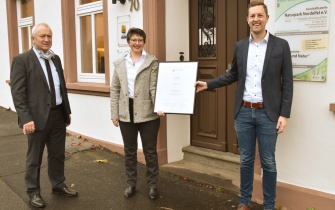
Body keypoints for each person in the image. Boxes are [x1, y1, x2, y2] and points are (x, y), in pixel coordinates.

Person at [195, 2, 293, 210]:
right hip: (244, 112)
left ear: (266, 17)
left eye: (260, 15)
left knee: (268, 162)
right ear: (247, 20)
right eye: (252, 16)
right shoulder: (241, 46)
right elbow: (233, 75)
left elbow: (288, 83)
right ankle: (244, 202)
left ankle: (268, 205)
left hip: (269, 114)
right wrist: (208, 83)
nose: (256, 19)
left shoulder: (281, 46)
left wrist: (284, 114)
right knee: (246, 160)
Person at [10, 23, 78, 208]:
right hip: (36, 118)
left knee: (57, 155)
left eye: (49, 36)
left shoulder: (55, 59)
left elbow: (60, 87)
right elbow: (18, 93)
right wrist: (26, 118)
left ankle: (58, 184)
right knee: (34, 158)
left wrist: (66, 111)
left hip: (57, 115)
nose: (46, 39)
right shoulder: (22, 60)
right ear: (33, 39)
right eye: (42, 36)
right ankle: (33, 192)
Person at [110, 27, 163, 200]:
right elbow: (115, 89)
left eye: (140, 40)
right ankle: (131, 183)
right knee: (130, 151)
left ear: (144, 42)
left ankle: (153, 185)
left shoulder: (152, 62)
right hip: (126, 112)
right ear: (129, 42)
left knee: (150, 151)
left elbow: (154, 87)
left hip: (148, 113)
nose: (137, 43)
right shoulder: (120, 63)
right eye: (134, 40)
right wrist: (114, 113)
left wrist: (159, 105)